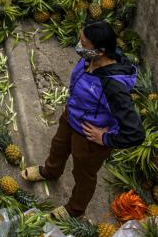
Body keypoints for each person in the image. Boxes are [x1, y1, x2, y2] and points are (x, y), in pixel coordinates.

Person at [21, 21, 144, 221]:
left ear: (101, 51)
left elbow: (135, 132)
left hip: (89, 136)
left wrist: (105, 138)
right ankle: (51, 171)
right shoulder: (90, 60)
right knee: (58, 146)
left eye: (84, 43)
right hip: (72, 116)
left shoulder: (114, 86)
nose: (79, 45)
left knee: (83, 174)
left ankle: (75, 209)